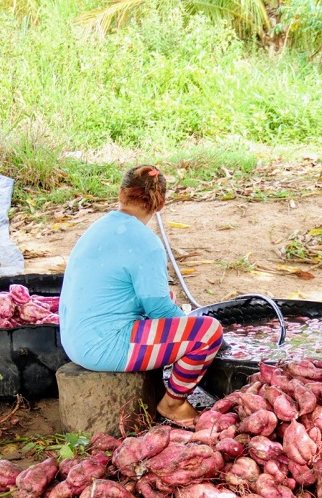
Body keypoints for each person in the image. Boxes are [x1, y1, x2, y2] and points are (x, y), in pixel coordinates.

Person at [59, 165, 223, 429]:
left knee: (167, 300)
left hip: (75, 339)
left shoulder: (99, 227)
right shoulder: (146, 244)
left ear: (122, 193)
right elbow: (159, 310)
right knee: (207, 332)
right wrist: (188, 324)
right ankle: (173, 404)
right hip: (104, 347)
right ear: (161, 203)